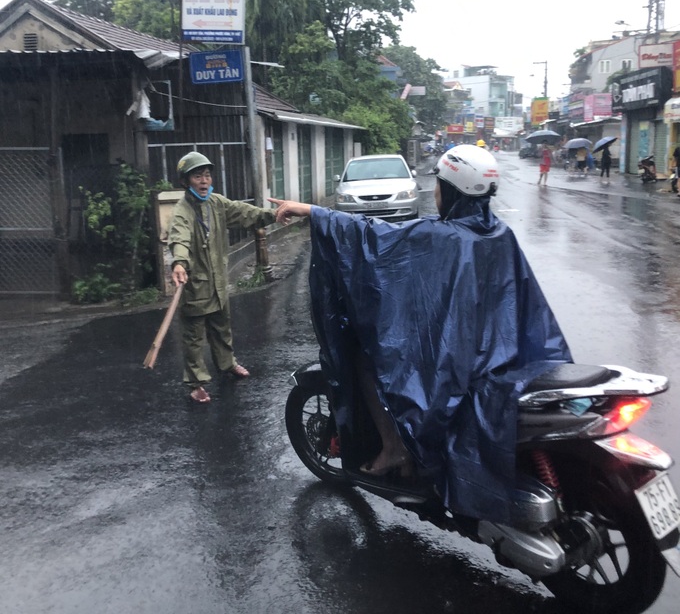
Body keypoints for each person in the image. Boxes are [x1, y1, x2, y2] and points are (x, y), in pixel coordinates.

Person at [270, 145, 571, 522]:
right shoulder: (499, 233)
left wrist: (312, 211)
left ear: (451, 190)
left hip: (459, 363)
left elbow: (372, 238)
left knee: (367, 358)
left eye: (439, 185)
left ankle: (395, 449)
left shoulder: (441, 236)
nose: (435, 192)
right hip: (503, 356)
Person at [168, 151, 280, 403]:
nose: (204, 180)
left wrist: (274, 214)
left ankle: (227, 364)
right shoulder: (182, 211)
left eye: (207, 175)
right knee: (194, 337)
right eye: (198, 176)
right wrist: (179, 262)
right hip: (195, 286)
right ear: (186, 181)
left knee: (222, 328)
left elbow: (245, 213)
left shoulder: (216, 203)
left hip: (218, 283)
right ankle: (196, 383)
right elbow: (179, 238)